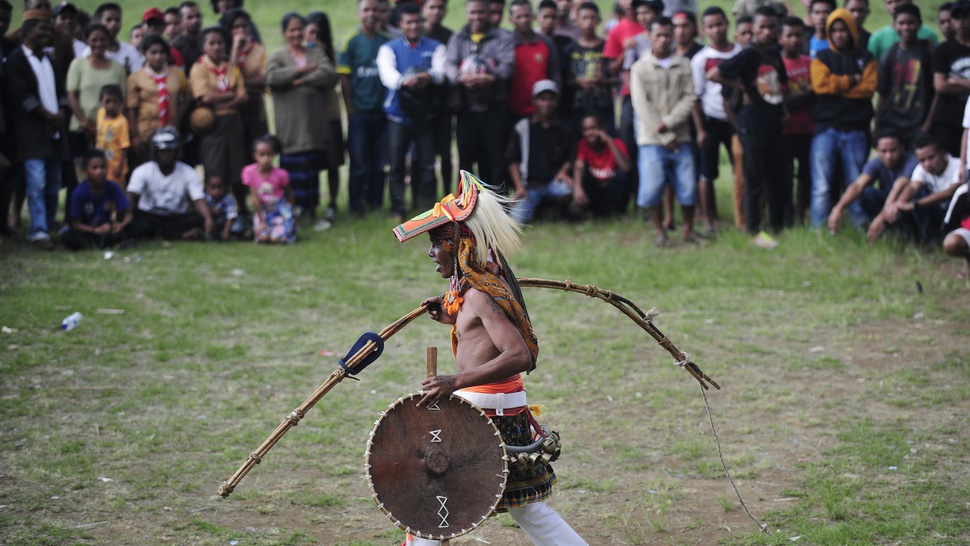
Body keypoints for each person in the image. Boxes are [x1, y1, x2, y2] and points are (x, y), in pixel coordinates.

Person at [392, 171, 588, 546]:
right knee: (521, 508)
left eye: (437, 244)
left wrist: (454, 382)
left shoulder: (481, 293)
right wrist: (450, 315)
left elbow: (520, 354)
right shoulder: (474, 289)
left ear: (459, 245)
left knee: (435, 495)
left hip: (489, 414)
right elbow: (481, 333)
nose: (431, 253)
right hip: (493, 411)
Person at [709, 7, 789, 247]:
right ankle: (752, 230)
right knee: (753, 180)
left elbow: (779, 85)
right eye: (762, 27)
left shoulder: (775, 53)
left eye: (771, 27)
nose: (766, 31)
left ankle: (778, 226)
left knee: (776, 178)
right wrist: (742, 87)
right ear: (753, 29)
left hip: (773, 122)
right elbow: (713, 74)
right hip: (752, 125)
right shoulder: (748, 55)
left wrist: (783, 111)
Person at [630, 16, 699, 247]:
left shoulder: (684, 64)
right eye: (658, 35)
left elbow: (690, 97)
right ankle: (660, 231)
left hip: (682, 137)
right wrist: (665, 135)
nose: (663, 39)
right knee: (652, 188)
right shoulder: (640, 68)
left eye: (667, 34)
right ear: (649, 36)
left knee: (688, 185)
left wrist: (668, 123)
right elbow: (642, 106)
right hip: (651, 139)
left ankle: (688, 229)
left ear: (673, 36)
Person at [376, 2, 446, 221]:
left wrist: (429, 76)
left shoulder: (436, 46)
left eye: (417, 21)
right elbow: (387, 75)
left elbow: (442, 72)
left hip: (426, 115)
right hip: (399, 115)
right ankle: (398, 208)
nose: (414, 25)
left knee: (427, 163)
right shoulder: (389, 48)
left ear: (422, 22)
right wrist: (404, 81)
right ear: (400, 24)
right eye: (409, 22)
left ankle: (430, 210)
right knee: (396, 163)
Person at [7, 8, 70, 250]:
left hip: (55, 131)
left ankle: (48, 223)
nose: (47, 33)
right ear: (28, 30)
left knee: (54, 182)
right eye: (42, 28)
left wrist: (61, 114)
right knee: (36, 181)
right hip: (32, 134)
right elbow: (20, 95)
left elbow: (62, 94)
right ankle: (38, 230)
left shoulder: (51, 61)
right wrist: (47, 116)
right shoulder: (17, 60)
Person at [266, 12, 336, 228]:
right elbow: (271, 78)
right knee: (292, 173)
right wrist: (299, 69)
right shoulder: (277, 56)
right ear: (285, 33)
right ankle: (293, 212)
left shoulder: (315, 53)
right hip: (290, 127)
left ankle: (313, 213)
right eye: (292, 30)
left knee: (312, 171)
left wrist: (299, 80)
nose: (296, 33)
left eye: (300, 29)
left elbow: (328, 74)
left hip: (314, 126)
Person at [808, 8, 877, 229]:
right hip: (826, 130)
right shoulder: (822, 58)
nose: (839, 34)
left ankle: (859, 228)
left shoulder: (865, 58)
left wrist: (835, 86)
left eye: (843, 30)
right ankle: (818, 229)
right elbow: (820, 86)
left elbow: (868, 90)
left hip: (856, 130)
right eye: (834, 30)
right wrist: (850, 81)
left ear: (852, 31)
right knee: (821, 185)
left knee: (855, 182)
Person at [445, 0, 515, 192]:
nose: (476, 17)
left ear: (488, 13)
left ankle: (497, 207)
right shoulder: (458, 38)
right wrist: (461, 77)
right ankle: (465, 207)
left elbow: (508, 65)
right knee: (466, 162)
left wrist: (490, 77)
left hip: (494, 110)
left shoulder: (502, 37)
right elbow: (449, 65)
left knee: (494, 161)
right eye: (473, 13)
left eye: (481, 13)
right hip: (466, 111)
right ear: (467, 14)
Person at [189, 26, 248, 217]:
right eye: (211, 43)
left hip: (233, 123)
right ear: (203, 46)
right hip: (213, 126)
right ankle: (214, 213)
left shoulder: (232, 68)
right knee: (215, 169)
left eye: (220, 42)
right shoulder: (199, 68)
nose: (216, 47)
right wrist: (231, 96)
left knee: (237, 168)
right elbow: (204, 97)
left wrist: (221, 97)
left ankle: (241, 209)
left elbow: (243, 96)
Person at [338, 0, 389, 215]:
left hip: (384, 114)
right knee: (359, 163)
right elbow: (344, 79)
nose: (371, 14)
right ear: (359, 13)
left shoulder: (386, 42)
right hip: (359, 113)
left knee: (379, 164)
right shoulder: (350, 41)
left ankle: (375, 203)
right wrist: (350, 111)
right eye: (366, 9)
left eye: (375, 10)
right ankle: (356, 206)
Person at [867, 136, 962, 244]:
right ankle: (919, 242)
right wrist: (898, 204)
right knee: (909, 201)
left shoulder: (958, 166)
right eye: (922, 160)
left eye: (931, 158)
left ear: (942, 153)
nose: (927, 164)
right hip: (937, 212)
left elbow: (950, 192)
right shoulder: (921, 169)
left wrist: (916, 204)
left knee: (916, 202)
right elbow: (912, 187)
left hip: (954, 215)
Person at [507, 80, 574, 224]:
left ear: (556, 101)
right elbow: (513, 160)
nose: (546, 103)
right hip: (530, 185)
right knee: (516, 221)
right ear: (534, 101)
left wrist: (563, 171)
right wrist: (518, 186)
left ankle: (558, 210)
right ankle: (538, 209)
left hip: (554, 183)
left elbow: (571, 155)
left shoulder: (564, 127)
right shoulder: (522, 127)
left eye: (550, 99)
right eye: (542, 99)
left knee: (567, 191)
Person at [127, 127, 212, 240]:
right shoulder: (142, 170)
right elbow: (131, 194)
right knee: (136, 220)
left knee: (198, 217)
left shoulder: (188, 171)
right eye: (162, 151)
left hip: (176, 217)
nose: (166, 155)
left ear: (177, 151)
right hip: (150, 215)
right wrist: (127, 215)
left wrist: (208, 218)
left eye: (170, 151)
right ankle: (179, 235)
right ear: (156, 152)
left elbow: (199, 198)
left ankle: (160, 234)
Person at [827, 129, 917, 234]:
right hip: (889, 202)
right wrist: (838, 208)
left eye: (893, 150)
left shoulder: (912, 161)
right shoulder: (876, 163)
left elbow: (900, 186)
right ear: (877, 150)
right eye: (884, 151)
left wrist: (881, 217)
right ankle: (885, 233)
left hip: (909, 203)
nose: (888, 156)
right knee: (866, 193)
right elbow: (858, 185)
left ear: (902, 147)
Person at [874, 3, 934, 149]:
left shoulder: (928, 52)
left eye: (910, 22)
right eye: (901, 23)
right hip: (893, 124)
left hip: (919, 123)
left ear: (919, 24)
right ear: (895, 25)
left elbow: (936, 91)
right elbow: (882, 94)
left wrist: (928, 125)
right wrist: (877, 126)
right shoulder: (889, 55)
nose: (906, 27)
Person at [127, 33, 191, 168]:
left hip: (172, 129)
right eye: (153, 52)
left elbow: (188, 96)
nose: (158, 56)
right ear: (145, 54)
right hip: (147, 130)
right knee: (149, 166)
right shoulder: (136, 77)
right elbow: (131, 108)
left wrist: (178, 115)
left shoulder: (177, 74)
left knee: (172, 165)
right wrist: (134, 136)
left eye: (162, 52)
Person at [306, 11, 343, 222]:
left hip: (330, 114)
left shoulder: (331, 53)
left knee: (333, 162)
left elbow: (331, 79)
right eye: (310, 32)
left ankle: (332, 202)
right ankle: (310, 204)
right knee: (311, 163)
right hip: (309, 117)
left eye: (318, 33)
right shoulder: (299, 54)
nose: (313, 38)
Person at [562, 2, 617, 135]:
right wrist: (578, 82)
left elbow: (617, 79)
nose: (588, 22)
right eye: (584, 18)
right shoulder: (569, 49)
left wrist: (603, 81)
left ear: (598, 20)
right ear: (577, 20)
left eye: (592, 18)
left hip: (604, 108)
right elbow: (565, 81)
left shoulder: (606, 46)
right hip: (578, 108)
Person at [779, 16, 814, 226]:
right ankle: (787, 216)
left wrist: (794, 99)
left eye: (798, 35)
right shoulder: (777, 63)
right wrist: (808, 94)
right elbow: (782, 101)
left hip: (808, 128)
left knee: (805, 176)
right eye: (789, 35)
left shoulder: (810, 63)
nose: (794, 39)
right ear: (780, 38)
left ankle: (801, 215)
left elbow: (818, 93)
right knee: (786, 175)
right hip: (785, 131)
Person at [62, 148, 131, 250]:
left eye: (103, 167)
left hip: (107, 229)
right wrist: (95, 230)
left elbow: (128, 213)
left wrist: (120, 225)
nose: (99, 171)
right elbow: (76, 224)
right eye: (95, 168)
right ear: (85, 171)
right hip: (88, 231)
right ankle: (104, 244)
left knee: (134, 228)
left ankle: (107, 242)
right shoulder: (79, 192)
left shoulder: (113, 187)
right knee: (69, 236)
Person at [419, 0, 454, 201]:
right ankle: (421, 198)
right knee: (421, 155)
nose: (436, 11)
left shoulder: (450, 36)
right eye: (432, 7)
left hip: (442, 104)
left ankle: (448, 196)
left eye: (440, 7)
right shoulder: (415, 32)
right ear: (424, 9)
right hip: (417, 106)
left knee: (446, 153)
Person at [221, 8, 266, 156]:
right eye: (236, 27)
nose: (241, 30)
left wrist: (240, 83)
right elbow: (229, 81)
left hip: (254, 108)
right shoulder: (222, 52)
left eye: (244, 26)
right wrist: (235, 49)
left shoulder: (259, 51)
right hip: (232, 109)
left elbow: (264, 80)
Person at [508, 0, 562, 121]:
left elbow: (555, 75)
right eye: (519, 17)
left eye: (527, 15)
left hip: (541, 112)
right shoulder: (506, 45)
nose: (524, 20)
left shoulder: (547, 43)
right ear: (511, 20)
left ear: (533, 17)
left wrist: (552, 103)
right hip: (511, 111)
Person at [930, 0, 970, 159]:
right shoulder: (943, 49)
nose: (960, 22)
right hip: (948, 121)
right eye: (956, 18)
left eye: (965, 16)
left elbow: (947, 83)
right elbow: (940, 86)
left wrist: (956, 81)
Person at [572, 113, 631, 217]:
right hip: (596, 193)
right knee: (582, 175)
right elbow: (579, 166)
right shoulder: (582, 144)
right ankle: (590, 212)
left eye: (593, 128)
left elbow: (626, 168)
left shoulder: (616, 143)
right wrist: (578, 187)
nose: (589, 133)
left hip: (612, 192)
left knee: (622, 175)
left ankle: (618, 212)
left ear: (603, 128)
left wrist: (610, 142)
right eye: (585, 130)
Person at [242, 134, 296, 244]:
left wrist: (293, 213)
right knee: (263, 238)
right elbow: (254, 197)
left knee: (275, 238)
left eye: (269, 154)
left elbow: (289, 194)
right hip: (263, 211)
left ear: (274, 155)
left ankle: (286, 231)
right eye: (261, 155)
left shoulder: (282, 174)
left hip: (280, 210)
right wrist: (261, 220)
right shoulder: (249, 172)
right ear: (255, 155)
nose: (265, 158)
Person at [868, 0, 939, 63]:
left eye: (899, 0)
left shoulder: (929, 34)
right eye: (889, 2)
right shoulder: (877, 38)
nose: (894, 5)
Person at [81, 3, 143, 73]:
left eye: (117, 20)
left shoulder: (130, 52)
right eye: (108, 20)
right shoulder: (88, 53)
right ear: (99, 21)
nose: (113, 24)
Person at [94, 84, 129, 186]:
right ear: (101, 101)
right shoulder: (100, 114)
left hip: (114, 166)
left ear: (120, 103)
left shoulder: (122, 122)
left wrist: (120, 167)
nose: (111, 106)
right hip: (101, 164)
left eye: (115, 102)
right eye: (107, 102)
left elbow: (125, 146)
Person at [203, 174, 243, 240]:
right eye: (213, 187)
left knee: (237, 227)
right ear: (207, 187)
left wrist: (225, 232)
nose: (217, 191)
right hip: (209, 221)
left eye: (220, 187)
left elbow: (231, 216)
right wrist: (210, 211)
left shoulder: (228, 199)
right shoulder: (204, 197)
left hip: (224, 222)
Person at [172, 1, 203, 74]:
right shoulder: (176, 46)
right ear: (181, 20)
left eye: (197, 16)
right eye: (190, 17)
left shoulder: (209, 40)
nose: (195, 20)